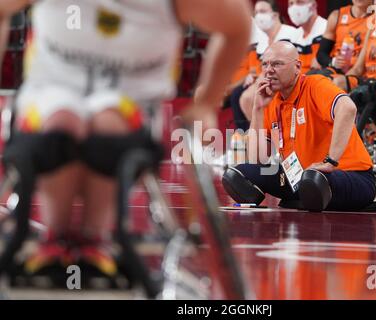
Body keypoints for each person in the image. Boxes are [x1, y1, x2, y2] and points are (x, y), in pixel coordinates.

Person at [0, 0, 251, 277]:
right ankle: (55, 235)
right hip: (49, 93)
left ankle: (95, 237)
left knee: (108, 122)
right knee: (62, 119)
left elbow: (237, 27)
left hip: (131, 102)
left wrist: (207, 102)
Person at [222, 41, 376, 212]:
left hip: (349, 175)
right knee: (237, 174)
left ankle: (306, 196)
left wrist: (331, 161)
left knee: (313, 180)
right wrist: (257, 109)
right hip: (299, 177)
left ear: (297, 67)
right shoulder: (271, 100)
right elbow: (256, 160)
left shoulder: (315, 84)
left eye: (277, 64)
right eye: (265, 64)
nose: (269, 70)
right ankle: (305, 196)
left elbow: (348, 108)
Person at [229, 0, 297, 132]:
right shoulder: (262, 42)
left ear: (275, 15)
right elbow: (257, 69)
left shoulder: (289, 33)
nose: (258, 16)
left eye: (262, 11)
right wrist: (252, 75)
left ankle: (266, 138)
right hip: (268, 80)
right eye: (256, 13)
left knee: (248, 97)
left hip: (284, 81)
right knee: (237, 94)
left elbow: (289, 65)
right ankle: (247, 138)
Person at [314, 0, 373, 82]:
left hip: (362, 73)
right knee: (311, 80)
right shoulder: (337, 16)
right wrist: (333, 62)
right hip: (337, 69)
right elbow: (321, 54)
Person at [287, 0, 327, 74]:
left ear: (313, 5)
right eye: (291, 3)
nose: (294, 7)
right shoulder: (294, 35)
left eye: (299, 2)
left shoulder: (326, 30)